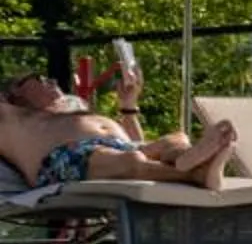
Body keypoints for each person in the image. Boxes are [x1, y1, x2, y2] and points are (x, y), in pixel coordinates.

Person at [0, 65, 236, 193]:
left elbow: (135, 142)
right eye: (37, 78)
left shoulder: (71, 108)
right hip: (62, 159)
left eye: (51, 79)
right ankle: (196, 173)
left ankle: (188, 159)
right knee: (131, 161)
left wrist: (128, 106)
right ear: (13, 93)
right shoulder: (11, 118)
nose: (49, 81)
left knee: (174, 140)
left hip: (120, 148)